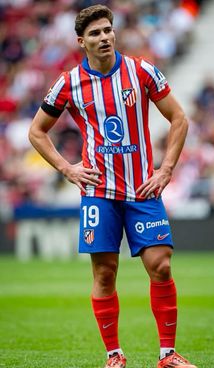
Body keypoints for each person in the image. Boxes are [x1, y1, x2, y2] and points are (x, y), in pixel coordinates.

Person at [28, 4, 198, 368]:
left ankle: (167, 355)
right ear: (81, 41)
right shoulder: (69, 82)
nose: (104, 37)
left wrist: (166, 170)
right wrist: (67, 168)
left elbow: (179, 118)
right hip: (98, 192)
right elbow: (36, 131)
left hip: (142, 189)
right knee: (105, 273)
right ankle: (114, 355)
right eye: (95, 33)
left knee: (162, 266)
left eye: (107, 30)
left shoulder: (141, 71)